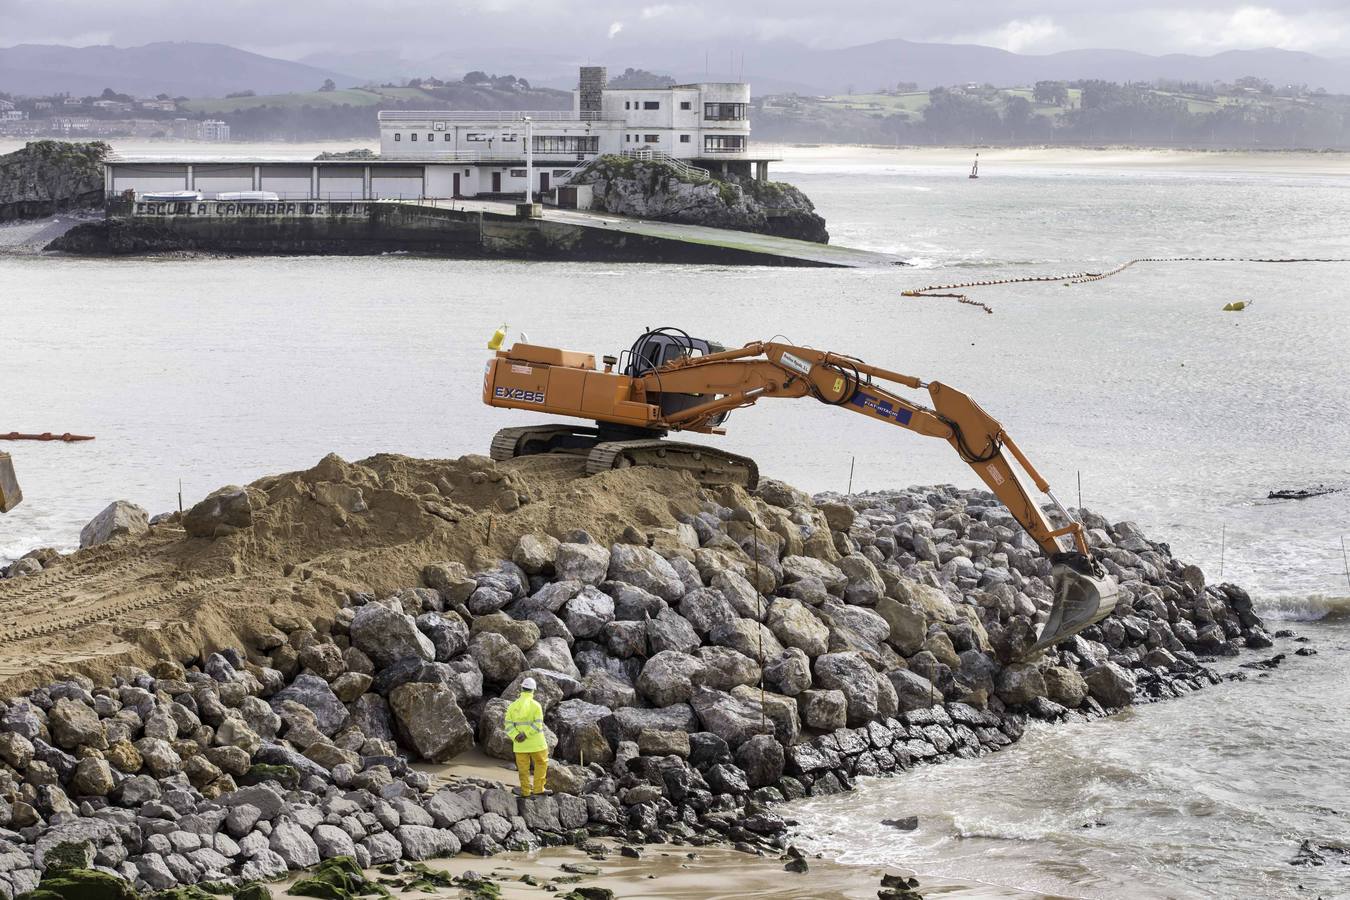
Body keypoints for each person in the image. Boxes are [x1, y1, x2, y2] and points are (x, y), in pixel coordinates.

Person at [504, 677, 548, 797]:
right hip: (537, 744)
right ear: (533, 690)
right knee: (541, 764)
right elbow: (538, 724)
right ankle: (539, 789)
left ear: (522, 688)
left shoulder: (512, 706)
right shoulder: (536, 706)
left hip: (520, 745)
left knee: (523, 769)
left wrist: (516, 735)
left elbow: (508, 725)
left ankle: (525, 792)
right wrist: (527, 734)